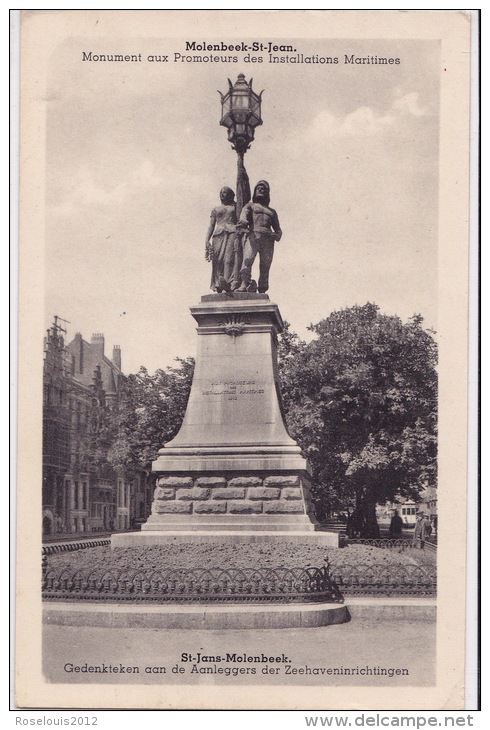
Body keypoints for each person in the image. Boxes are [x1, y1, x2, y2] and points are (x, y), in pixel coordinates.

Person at [236, 180, 282, 293]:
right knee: (247, 260)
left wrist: (277, 235)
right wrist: (243, 221)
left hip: (268, 239)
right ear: (255, 191)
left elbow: (278, 230)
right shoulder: (250, 206)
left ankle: (262, 288)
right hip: (253, 235)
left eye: (263, 189)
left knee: (265, 265)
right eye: (258, 188)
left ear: (267, 193)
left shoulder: (272, 212)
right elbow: (243, 216)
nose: (260, 190)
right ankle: (244, 284)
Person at [204, 187, 238, 293]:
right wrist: (206, 240)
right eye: (221, 192)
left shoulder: (236, 206)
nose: (223, 194)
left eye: (225, 192)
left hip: (232, 232)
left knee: (229, 259)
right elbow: (211, 226)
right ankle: (218, 283)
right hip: (218, 235)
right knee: (217, 261)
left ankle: (228, 283)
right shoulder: (216, 209)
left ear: (231, 194)